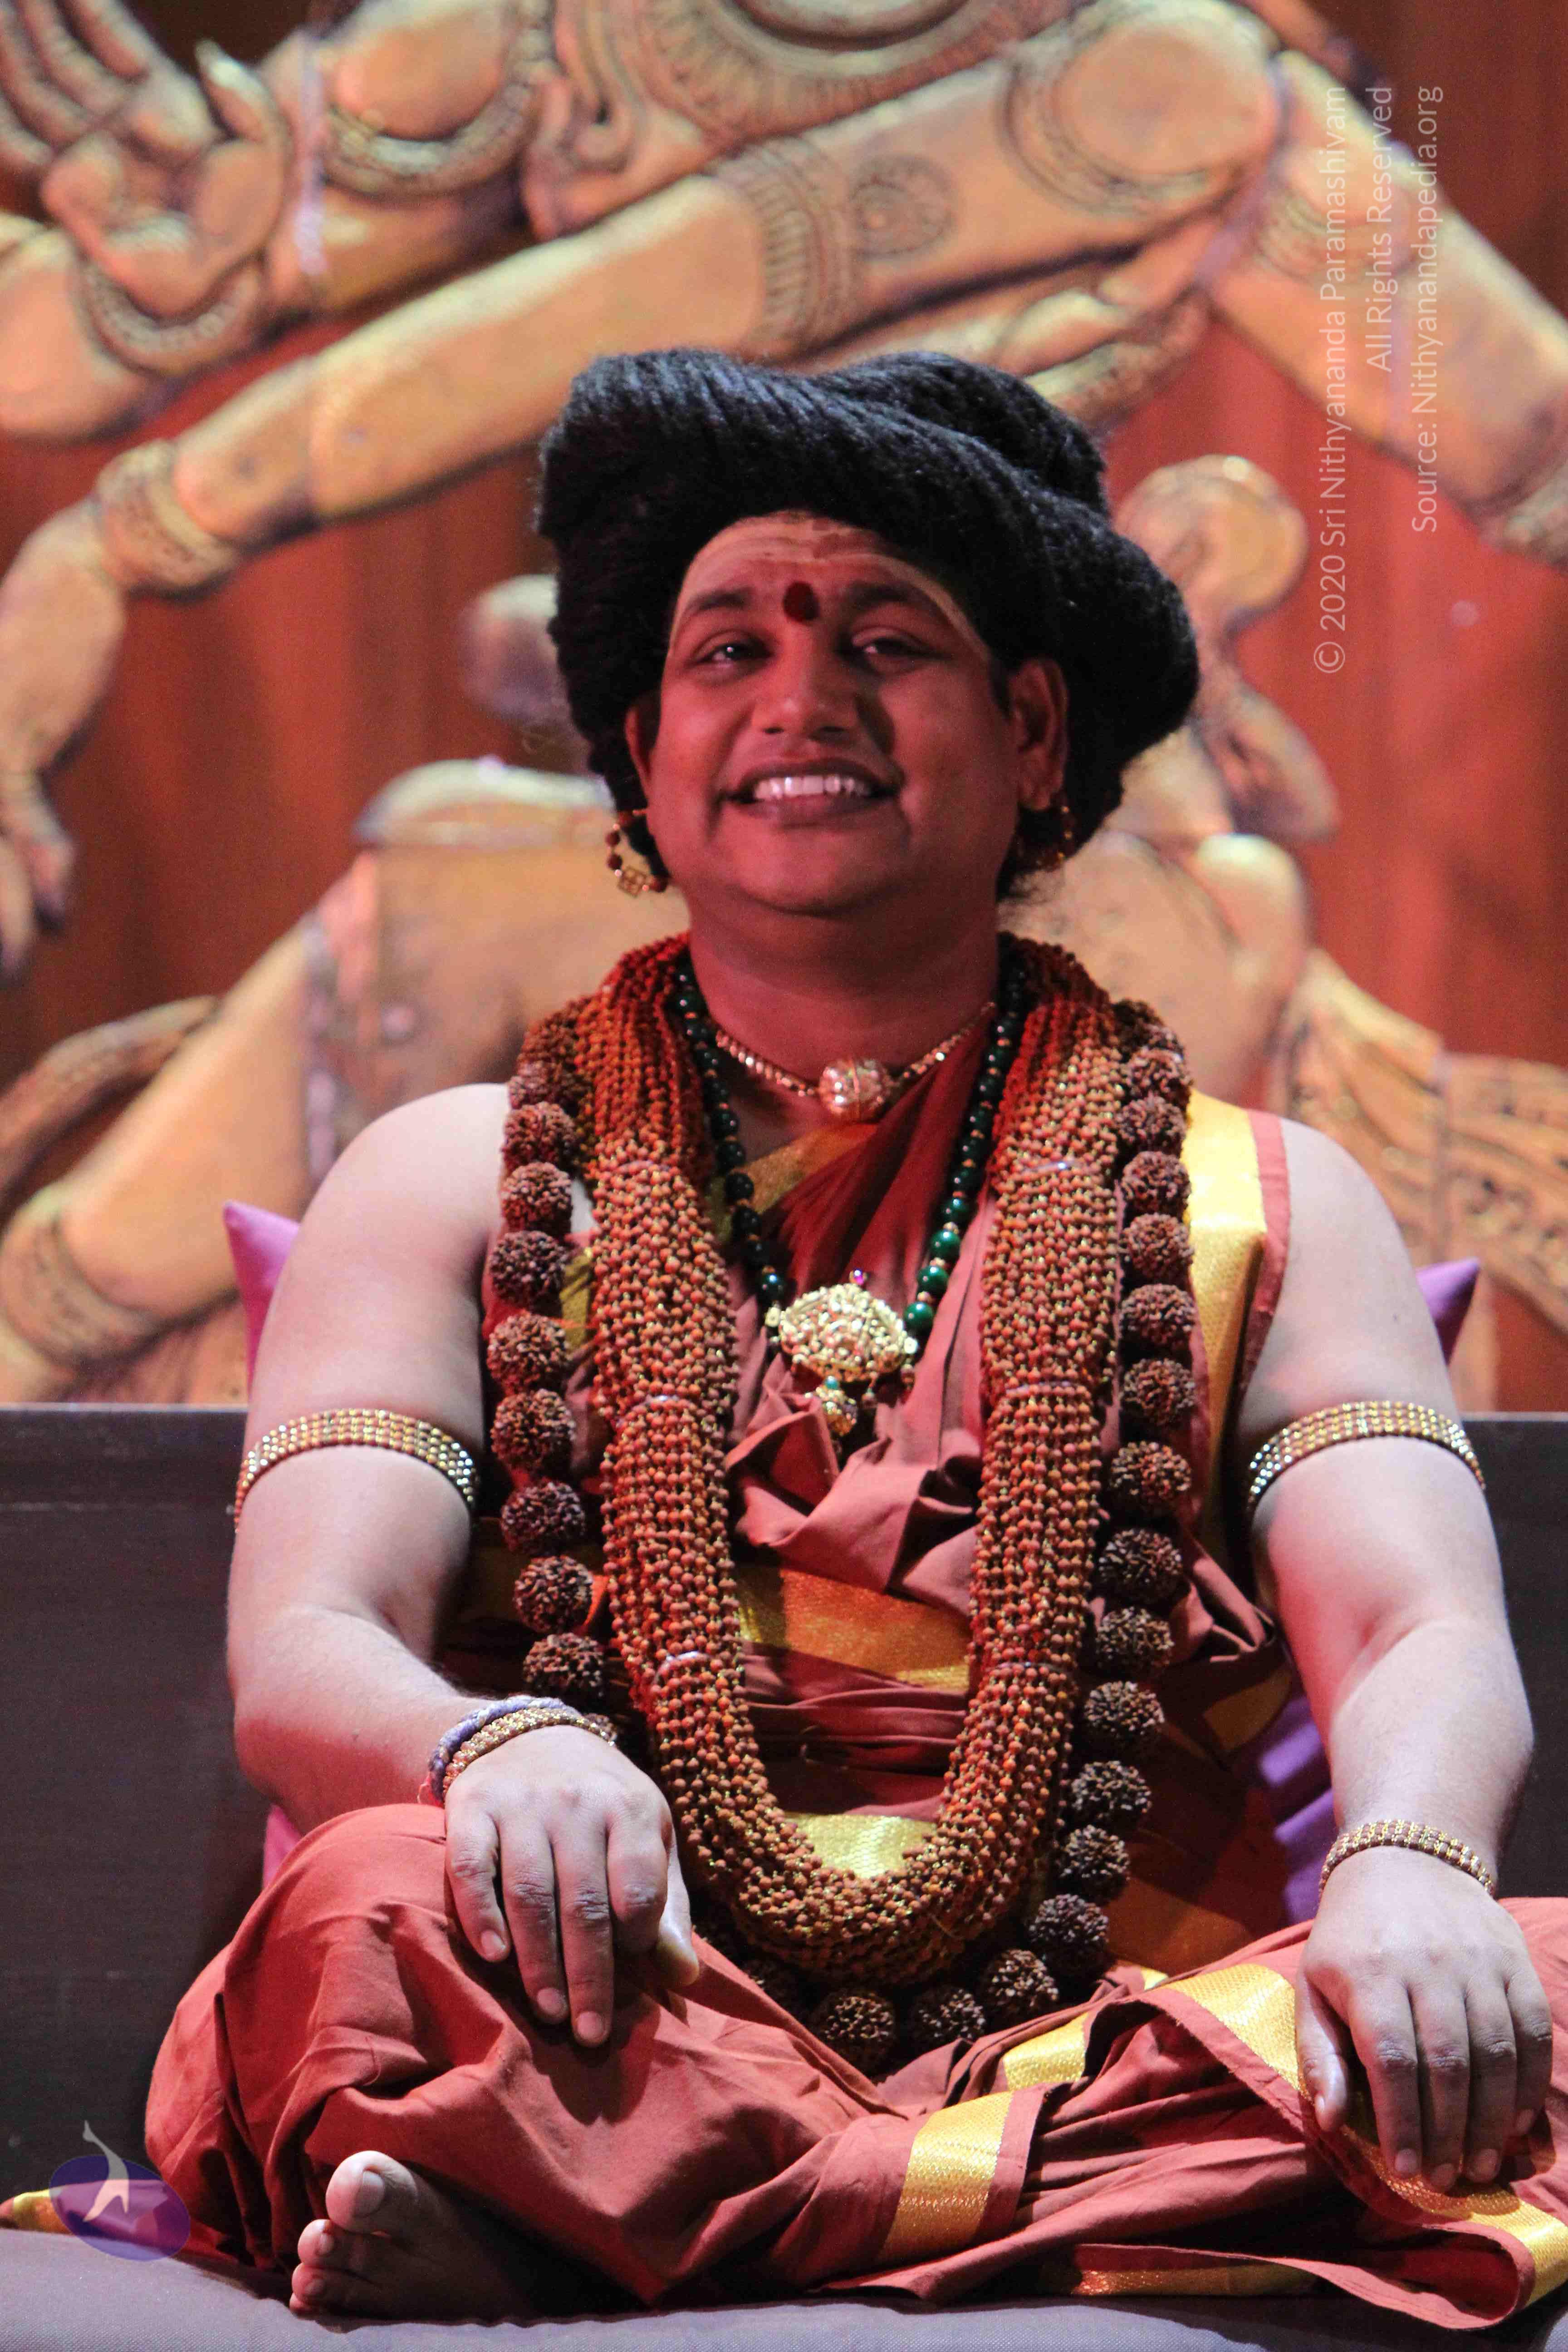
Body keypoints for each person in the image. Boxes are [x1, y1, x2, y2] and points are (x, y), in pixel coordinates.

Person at [142, 350, 1566, 2329]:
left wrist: (1412, 1863)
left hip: (1115, 2019)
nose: (800, 701)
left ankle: (622, 2226)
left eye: (885, 644)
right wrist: (496, 1745)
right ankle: (922, 2207)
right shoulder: (453, 1178)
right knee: (360, 1923)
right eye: (729, 650)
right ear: (642, 750)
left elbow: (1417, 1627)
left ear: (1035, 730)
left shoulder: (1263, 1196)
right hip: (616, 2000)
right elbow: (308, 1643)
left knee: (1536, 1989)